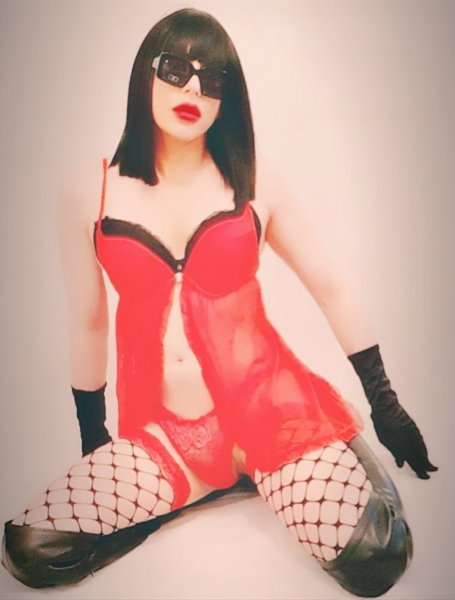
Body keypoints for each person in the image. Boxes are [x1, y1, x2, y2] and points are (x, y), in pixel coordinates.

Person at [2, 7, 437, 597]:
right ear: (145, 73)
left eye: (212, 81)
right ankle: (208, 485)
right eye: (175, 69)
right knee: (29, 548)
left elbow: (331, 287)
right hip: (167, 432)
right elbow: (88, 322)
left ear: (226, 100)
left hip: (271, 415)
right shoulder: (89, 189)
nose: (192, 90)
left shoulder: (257, 180)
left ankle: (333, 447)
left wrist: (386, 403)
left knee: (373, 558)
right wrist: (92, 436)